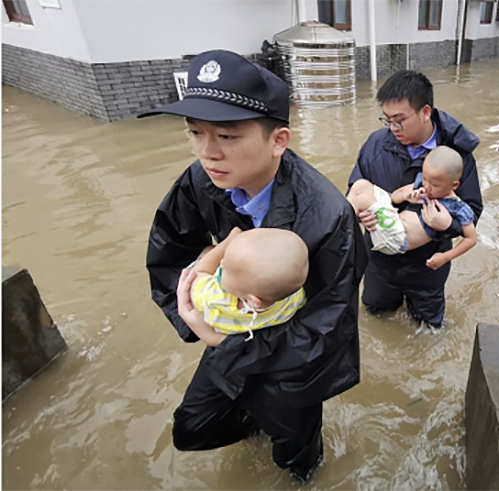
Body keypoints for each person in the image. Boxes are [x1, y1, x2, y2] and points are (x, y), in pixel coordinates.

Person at [141, 49, 367, 483]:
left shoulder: (327, 215)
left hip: (294, 362)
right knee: (192, 429)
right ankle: (254, 417)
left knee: (296, 457)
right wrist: (193, 311)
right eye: (195, 132)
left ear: (278, 140)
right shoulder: (201, 180)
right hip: (232, 336)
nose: (209, 153)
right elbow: (168, 252)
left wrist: (225, 343)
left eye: (227, 137)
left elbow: (329, 324)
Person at [348, 70, 483, 329]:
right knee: (376, 316)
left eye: (399, 120)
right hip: (380, 259)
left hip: (427, 267)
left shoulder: (457, 157)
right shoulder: (376, 145)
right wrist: (359, 214)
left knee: (428, 328)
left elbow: (473, 209)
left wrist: (448, 226)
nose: (392, 128)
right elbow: (356, 187)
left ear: (425, 112)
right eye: (387, 120)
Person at [347, 145, 477, 269]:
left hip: (397, 239)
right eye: (425, 179)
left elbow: (471, 239)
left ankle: (343, 235)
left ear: (454, 185)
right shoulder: (421, 185)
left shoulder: (459, 208)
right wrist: (407, 196)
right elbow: (394, 197)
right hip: (392, 221)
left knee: (363, 200)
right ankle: (344, 229)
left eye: (435, 185)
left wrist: (445, 257)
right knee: (361, 185)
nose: (427, 186)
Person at [180, 227, 309, 346]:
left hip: (218, 327)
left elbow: (195, 276)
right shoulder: (293, 297)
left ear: (253, 300)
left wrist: (227, 243)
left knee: (207, 251)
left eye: (228, 270)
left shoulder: (218, 300)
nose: (222, 263)